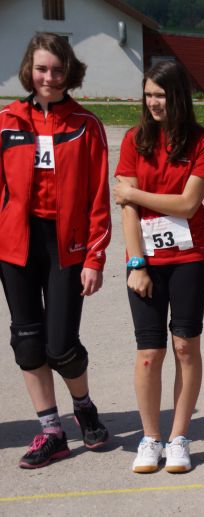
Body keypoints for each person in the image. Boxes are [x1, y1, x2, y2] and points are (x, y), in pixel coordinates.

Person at [0, 33, 111, 469]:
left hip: (67, 245)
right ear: (29, 69)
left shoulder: (85, 124)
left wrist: (95, 257)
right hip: (17, 245)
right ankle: (51, 431)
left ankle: (83, 406)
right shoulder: (7, 120)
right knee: (27, 343)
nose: (49, 77)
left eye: (57, 70)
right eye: (41, 69)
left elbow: (98, 196)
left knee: (61, 344)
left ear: (70, 73)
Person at [113, 60, 204, 474]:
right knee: (149, 352)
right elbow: (127, 211)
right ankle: (150, 438)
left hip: (189, 261)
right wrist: (136, 263)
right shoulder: (134, 140)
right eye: (148, 95)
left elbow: (188, 204)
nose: (154, 102)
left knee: (185, 347)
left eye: (161, 94)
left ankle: (178, 438)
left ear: (178, 96)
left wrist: (135, 194)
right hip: (146, 262)